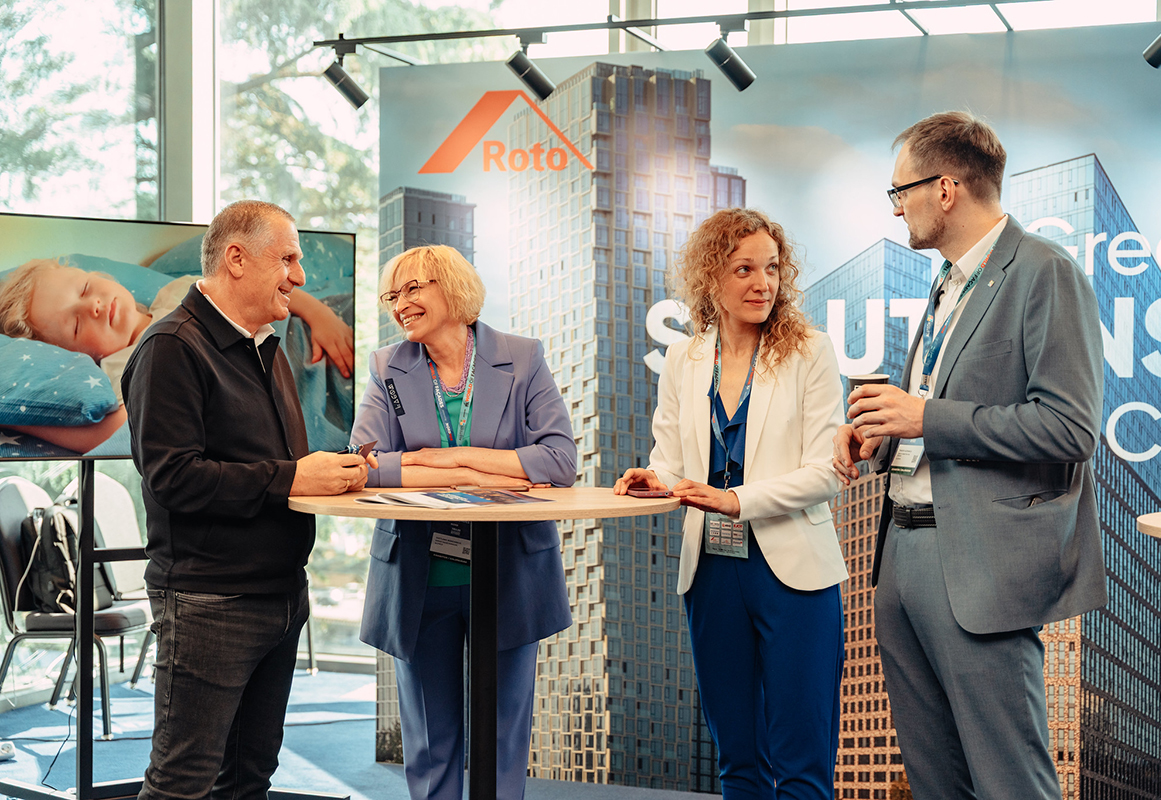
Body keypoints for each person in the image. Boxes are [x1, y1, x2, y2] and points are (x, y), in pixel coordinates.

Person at [833, 111, 1106, 799]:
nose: (896, 207)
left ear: (946, 188)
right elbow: (939, 409)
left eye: (900, 191)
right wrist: (882, 433)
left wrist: (925, 417)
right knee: (935, 782)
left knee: (1011, 782)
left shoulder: (1045, 271)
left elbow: (1070, 429)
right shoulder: (947, 282)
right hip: (903, 556)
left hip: (979, 567)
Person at [122, 199, 373, 800]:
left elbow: (274, 465)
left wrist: (329, 475)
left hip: (281, 595)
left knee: (248, 779)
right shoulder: (170, 347)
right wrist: (293, 479)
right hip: (211, 604)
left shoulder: (267, 346)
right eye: (287, 259)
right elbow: (172, 478)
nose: (300, 276)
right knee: (181, 784)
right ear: (236, 259)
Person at [615, 208, 846, 799]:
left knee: (802, 766)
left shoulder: (811, 352)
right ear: (710, 277)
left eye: (771, 268)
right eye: (744, 269)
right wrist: (654, 478)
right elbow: (672, 459)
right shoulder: (685, 358)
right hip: (712, 574)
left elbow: (827, 472)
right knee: (737, 762)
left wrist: (733, 500)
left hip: (794, 574)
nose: (762, 283)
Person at [351, 244, 575, 800]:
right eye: (392, 295)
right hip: (420, 575)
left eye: (413, 288)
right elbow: (363, 464)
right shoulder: (387, 367)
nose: (400, 304)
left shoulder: (522, 357)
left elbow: (559, 461)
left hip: (510, 572)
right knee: (431, 743)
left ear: (453, 288)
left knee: (503, 735)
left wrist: (451, 459)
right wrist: (480, 470)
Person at [0, 254, 353, 452]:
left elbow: (258, 293)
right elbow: (118, 433)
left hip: (303, 333)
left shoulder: (179, 292)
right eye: (76, 325)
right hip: (290, 391)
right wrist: (19, 418)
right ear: (76, 357)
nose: (92, 306)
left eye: (85, 289)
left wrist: (320, 314)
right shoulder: (123, 368)